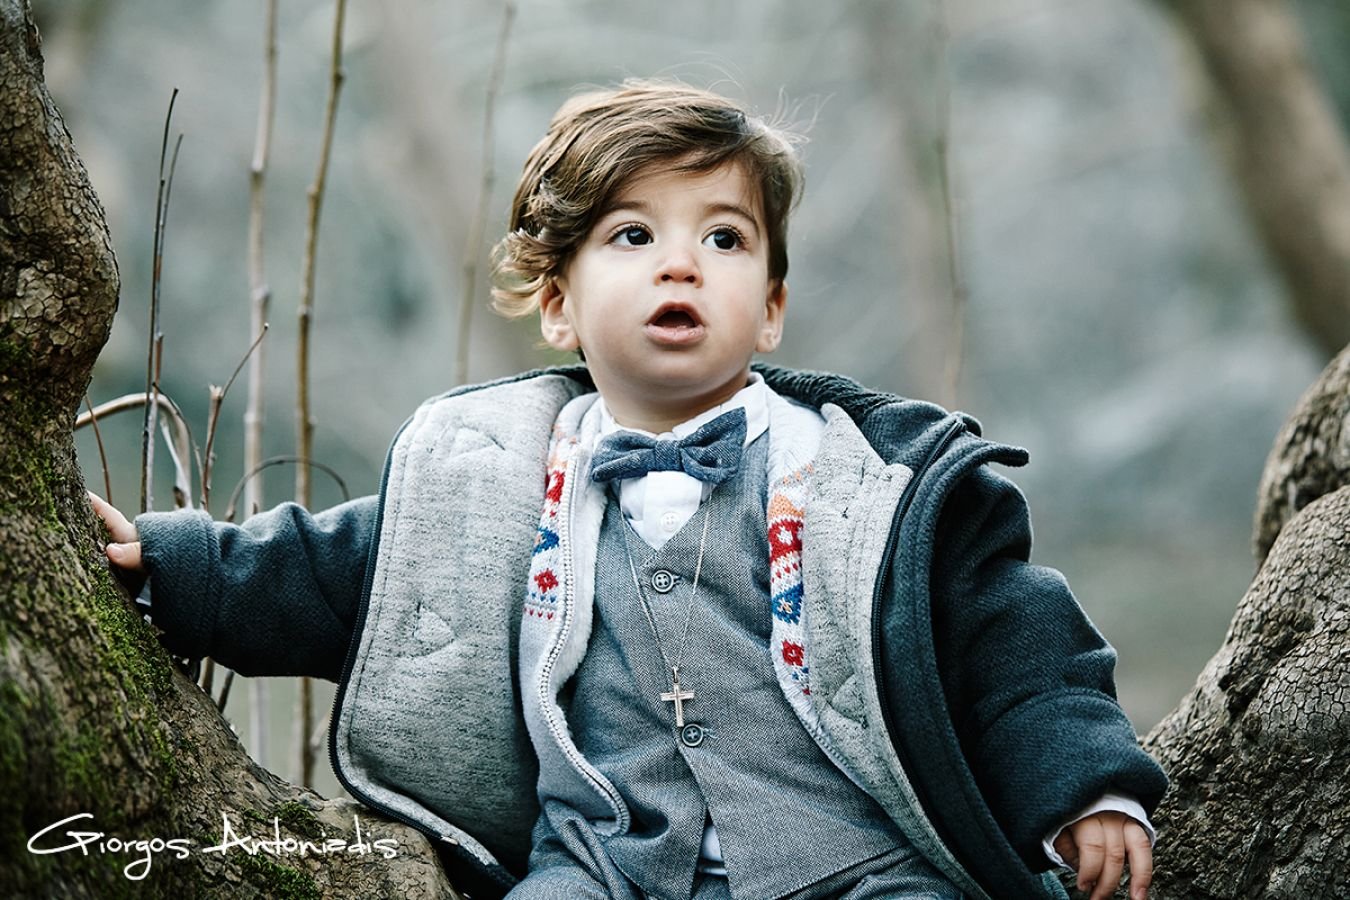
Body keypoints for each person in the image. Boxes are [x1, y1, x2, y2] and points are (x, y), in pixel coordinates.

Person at [91, 80, 1167, 900]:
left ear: (773, 306)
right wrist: (176, 564)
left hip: (852, 859)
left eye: (725, 238)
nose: (682, 264)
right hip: (604, 862)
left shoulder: (864, 486)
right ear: (557, 304)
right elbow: (342, 574)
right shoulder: (494, 481)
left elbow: (1019, 645)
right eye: (633, 235)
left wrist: (1089, 790)